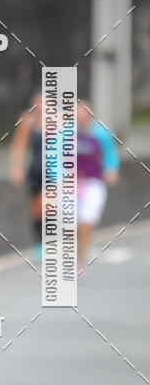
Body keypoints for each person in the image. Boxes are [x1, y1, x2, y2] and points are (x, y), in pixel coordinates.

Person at [76, 100, 119, 274]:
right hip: (71, 184)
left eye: (84, 114)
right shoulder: (65, 133)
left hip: (94, 183)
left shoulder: (101, 133)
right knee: (72, 225)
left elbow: (110, 154)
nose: (81, 118)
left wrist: (111, 170)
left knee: (87, 222)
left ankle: (78, 261)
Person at [9, 92, 43, 259]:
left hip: (54, 171)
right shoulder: (27, 121)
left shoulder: (60, 120)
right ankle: (40, 242)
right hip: (36, 169)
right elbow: (19, 145)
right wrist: (16, 168)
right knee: (37, 210)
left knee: (50, 205)